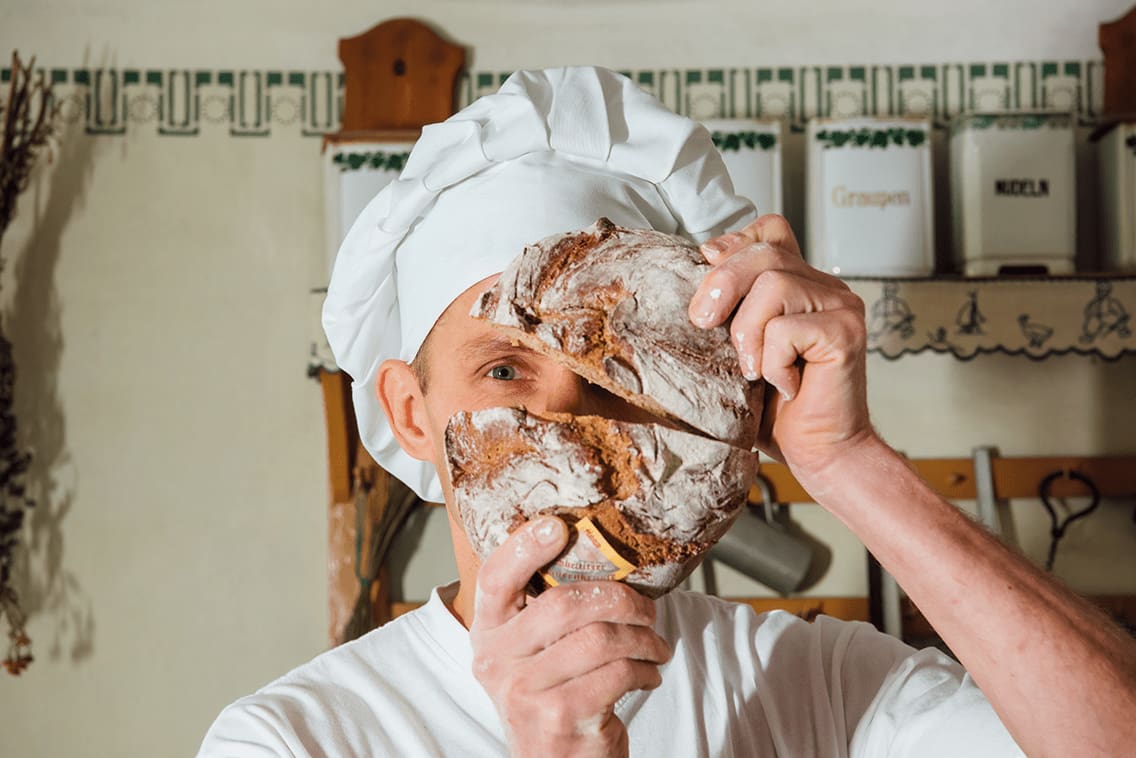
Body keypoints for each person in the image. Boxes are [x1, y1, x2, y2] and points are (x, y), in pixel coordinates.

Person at [199, 67, 1136, 757]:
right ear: (410, 413)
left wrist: (848, 460)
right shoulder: (296, 739)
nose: (573, 439)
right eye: (504, 372)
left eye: (620, 377)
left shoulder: (819, 687)